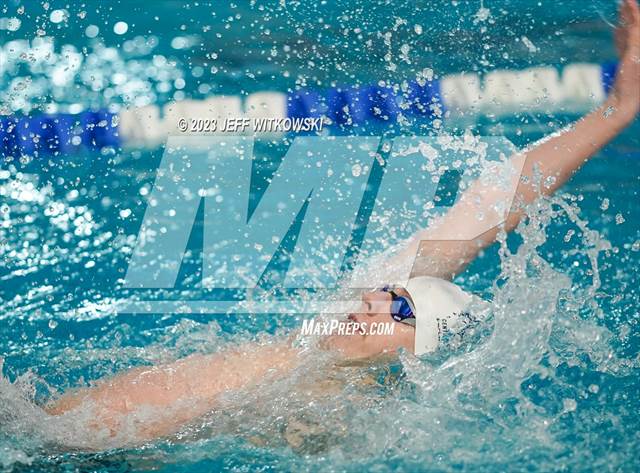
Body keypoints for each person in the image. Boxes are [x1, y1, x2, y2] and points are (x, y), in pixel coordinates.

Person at [45, 0, 640, 448]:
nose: (380, 299)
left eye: (402, 311)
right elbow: (489, 203)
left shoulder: (335, 419)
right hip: (46, 430)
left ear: (417, 356)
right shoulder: (317, 334)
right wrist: (616, 110)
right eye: (390, 291)